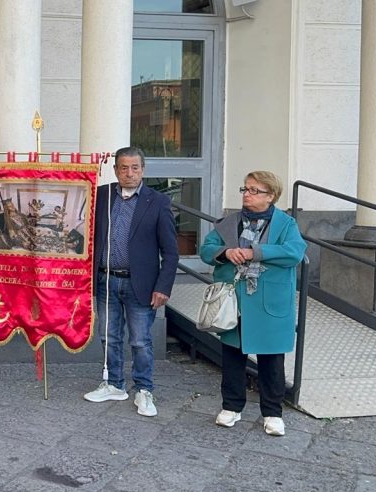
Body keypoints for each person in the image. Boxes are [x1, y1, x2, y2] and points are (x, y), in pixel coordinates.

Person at [200, 171, 306, 436]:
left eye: (254, 190)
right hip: (234, 300)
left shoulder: (286, 224)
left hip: (269, 300)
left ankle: (272, 413)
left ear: (271, 196)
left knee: (271, 360)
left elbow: (295, 251)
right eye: (245, 189)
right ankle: (231, 407)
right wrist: (225, 252)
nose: (247, 194)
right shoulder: (229, 223)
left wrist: (255, 252)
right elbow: (206, 250)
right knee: (232, 357)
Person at [83, 146, 178, 417]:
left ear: (143, 170)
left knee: (140, 340)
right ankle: (114, 383)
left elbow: (170, 251)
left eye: (135, 168)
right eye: (123, 167)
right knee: (108, 336)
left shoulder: (157, 201)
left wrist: (163, 287)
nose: (129, 173)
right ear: (115, 170)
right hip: (106, 280)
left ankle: (144, 389)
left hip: (142, 284)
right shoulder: (101, 196)